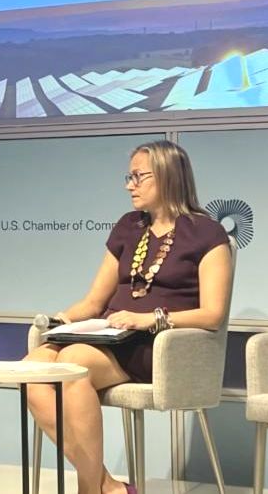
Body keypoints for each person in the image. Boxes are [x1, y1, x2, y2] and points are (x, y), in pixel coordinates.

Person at [24, 140, 232, 494]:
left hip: (159, 345)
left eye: (138, 177)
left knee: (74, 363)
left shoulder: (207, 233)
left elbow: (212, 314)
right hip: (108, 337)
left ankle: (90, 489)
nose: (129, 185)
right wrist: (59, 320)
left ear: (167, 177)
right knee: (33, 368)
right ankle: (107, 486)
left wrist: (150, 319)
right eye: (128, 176)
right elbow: (93, 301)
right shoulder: (127, 226)